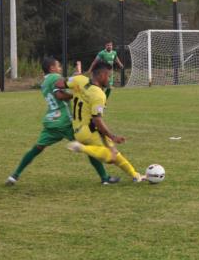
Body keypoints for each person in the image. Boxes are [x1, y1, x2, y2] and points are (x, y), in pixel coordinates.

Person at [6, 57, 119, 186]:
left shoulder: (44, 82)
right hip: (65, 121)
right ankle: (105, 178)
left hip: (51, 121)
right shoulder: (54, 77)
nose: (60, 69)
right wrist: (76, 94)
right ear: (52, 68)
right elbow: (59, 95)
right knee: (87, 146)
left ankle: (14, 176)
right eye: (58, 66)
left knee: (37, 148)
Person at [64, 62, 147, 182]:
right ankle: (81, 148)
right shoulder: (98, 94)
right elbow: (97, 119)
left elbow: (59, 83)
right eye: (109, 75)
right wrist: (112, 137)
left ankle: (135, 175)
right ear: (102, 75)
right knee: (111, 156)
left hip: (78, 130)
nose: (109, 78)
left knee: (114, 152)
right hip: (90, 130)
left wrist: (75, 77)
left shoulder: (80, 80)